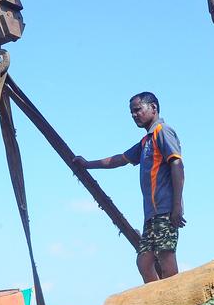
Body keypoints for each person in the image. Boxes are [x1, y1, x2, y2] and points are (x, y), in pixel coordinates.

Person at [73, 91, 186, 283]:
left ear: (153, 108)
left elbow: (177, 165)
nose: (134, 115)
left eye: (138, 110)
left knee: (166, 257)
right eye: (131, 113)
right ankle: (158, 301)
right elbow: (120, 159)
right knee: (144, 261)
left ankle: (179, 303)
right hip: (151, 214)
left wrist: (176, 207)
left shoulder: (162, 132)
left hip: (165, 209)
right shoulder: (145, 142)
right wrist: (87, 164)